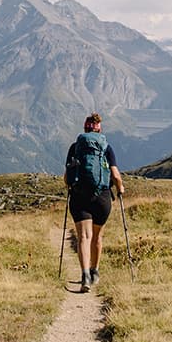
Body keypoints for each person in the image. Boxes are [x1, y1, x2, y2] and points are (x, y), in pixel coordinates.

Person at [65, 112, 124, 292]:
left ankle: (85, 276)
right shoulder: (106, 147)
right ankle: (95, 271)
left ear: (84, 129)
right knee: (97, 237)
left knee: (83, 237)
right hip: (102, 198)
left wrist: (70, 186)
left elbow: (67, 177)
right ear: (100, 129)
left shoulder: (75, 147)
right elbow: (114, 174)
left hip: (80, 196)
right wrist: (120, 188)